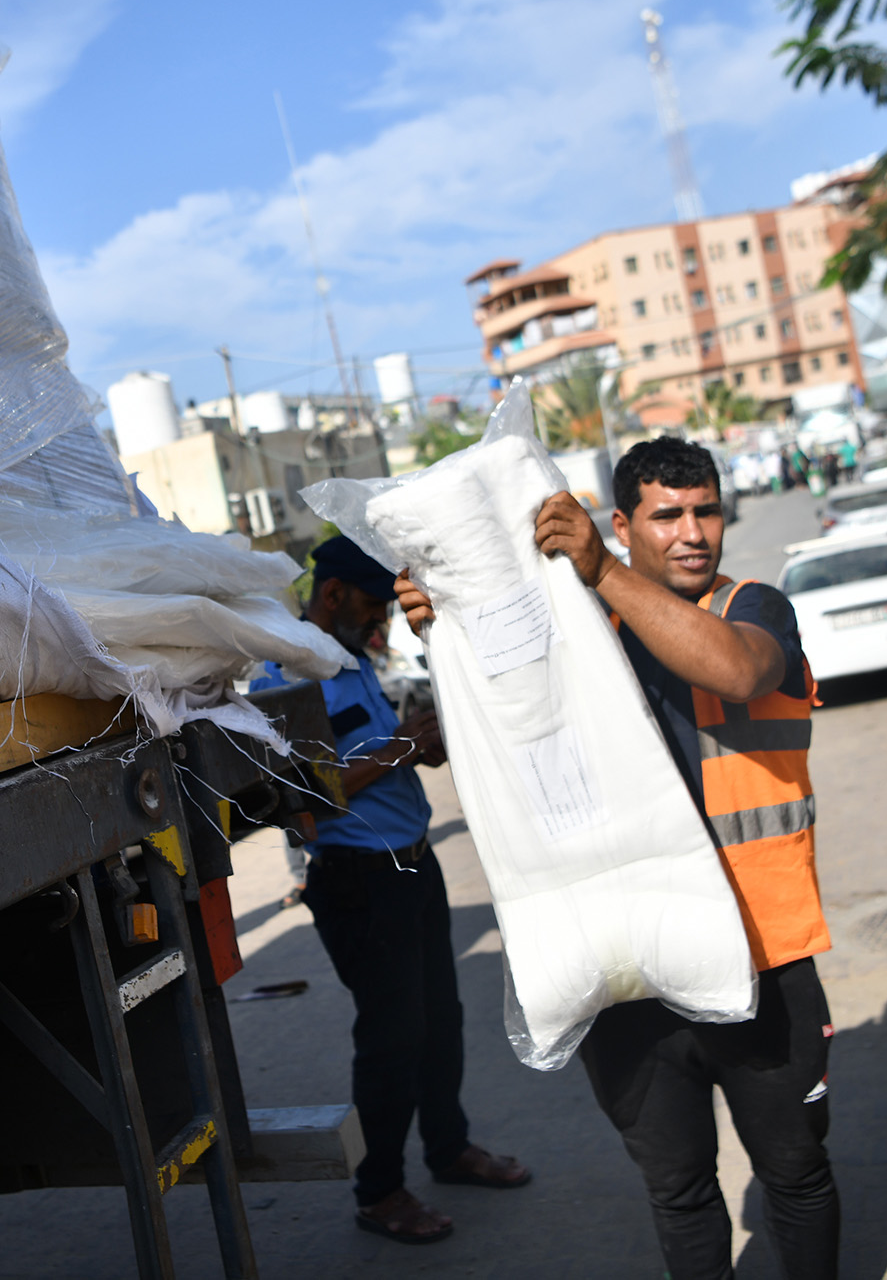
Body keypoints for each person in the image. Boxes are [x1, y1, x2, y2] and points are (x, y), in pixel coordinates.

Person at [397, 440, 838, 1280]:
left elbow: (736, 670)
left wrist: (601, 570)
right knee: (679, 1192)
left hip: (766, 958)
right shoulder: (578, 631)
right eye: (667, 515)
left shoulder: (755, 608)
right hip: (632, 968)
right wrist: (450, 622)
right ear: (624, 522)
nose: (692, 532)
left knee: (795, 1173)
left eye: (704, 509)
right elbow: (503, 732)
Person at [251, 536, 531, 1245]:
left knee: (440, 1020)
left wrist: (420, 743)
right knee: (391, 1038)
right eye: (372, 606)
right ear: (335, 593)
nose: (379, 623)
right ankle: (379, 1191)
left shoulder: (352, 662)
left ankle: (449, 1147)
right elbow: (304, 802)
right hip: (360, 883)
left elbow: (372, 758)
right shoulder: (285, 676)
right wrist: (404, 745)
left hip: (412, 867)